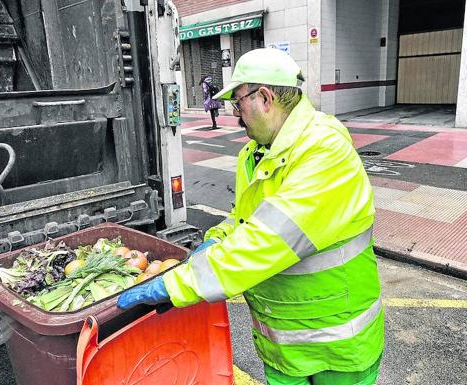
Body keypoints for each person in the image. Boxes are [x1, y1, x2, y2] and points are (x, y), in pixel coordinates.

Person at [118, 48, 384, 385]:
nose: (234, 114)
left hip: (338, 349)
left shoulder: (325, 149)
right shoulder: (254, 154)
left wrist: (178, 284)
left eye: (239, 102)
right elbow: (244, 219)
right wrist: (215, 240)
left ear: (265, 97)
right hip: (282, 348)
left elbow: (269, 240)